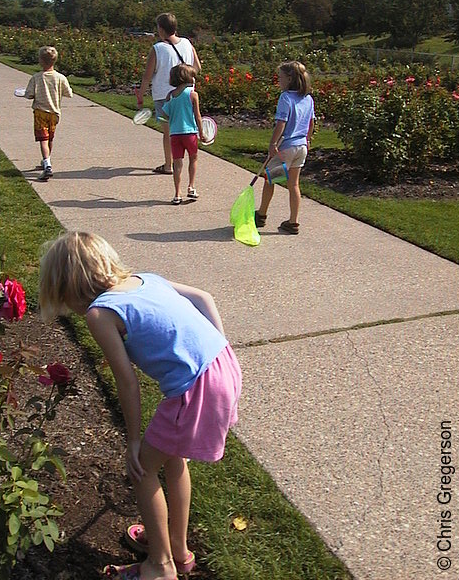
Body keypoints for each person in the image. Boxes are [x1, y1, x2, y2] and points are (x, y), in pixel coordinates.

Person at [38, 232, 242, 580]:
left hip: (195, 391)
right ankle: (178, 550)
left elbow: (126, 381)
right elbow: (204, 298)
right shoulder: (147, 278)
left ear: (70, 286)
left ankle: (160, 566)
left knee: (142, 469)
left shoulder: (100, 313)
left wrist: (133, 440)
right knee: (173, 457)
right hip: (224, 365)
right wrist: (220, 348)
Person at [135, 13, 201, 175]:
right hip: (186, 94)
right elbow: (197, 67)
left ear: (162, 29)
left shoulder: (157, 49)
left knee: (169, 132)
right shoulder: (187, 43)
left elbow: (147, 76)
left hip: (164, 97)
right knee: (185, 128)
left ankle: (168, 165)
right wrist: (186, 79)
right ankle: (185, 161)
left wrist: (141, 95)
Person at [255, 60, 314, 234]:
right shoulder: (308, 98)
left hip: (285, 147)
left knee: (270, 180)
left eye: (280, 77)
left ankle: (261, 214)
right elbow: (310, 124)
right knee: (293, 184)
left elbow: (281, 124)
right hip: (301, 146)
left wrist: (273, 144)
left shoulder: (286, 97)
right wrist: (307, 139)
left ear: (289, 79)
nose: (278, 80)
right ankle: (293, 221)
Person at [24, 46, 73, 181]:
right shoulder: (60, 77)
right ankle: (46, 160)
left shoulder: (36, 78)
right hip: (54, 113)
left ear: (40, 61)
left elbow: (29, 94)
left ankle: (47, 165)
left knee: (43, 140)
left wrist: (26, 94)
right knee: (50, 138)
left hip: (40, 112)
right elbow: (69, 93)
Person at [161, 64, 206, 205]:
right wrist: (202, 132)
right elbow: (197, 116)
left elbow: (165, 116)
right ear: (186, 78)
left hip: (175, 134)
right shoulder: (193, 95)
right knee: (193, 159)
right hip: (190, 133)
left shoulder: (170, 96)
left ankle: (177, 194)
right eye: (192, 76)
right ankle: (191, 187)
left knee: (177, 163)